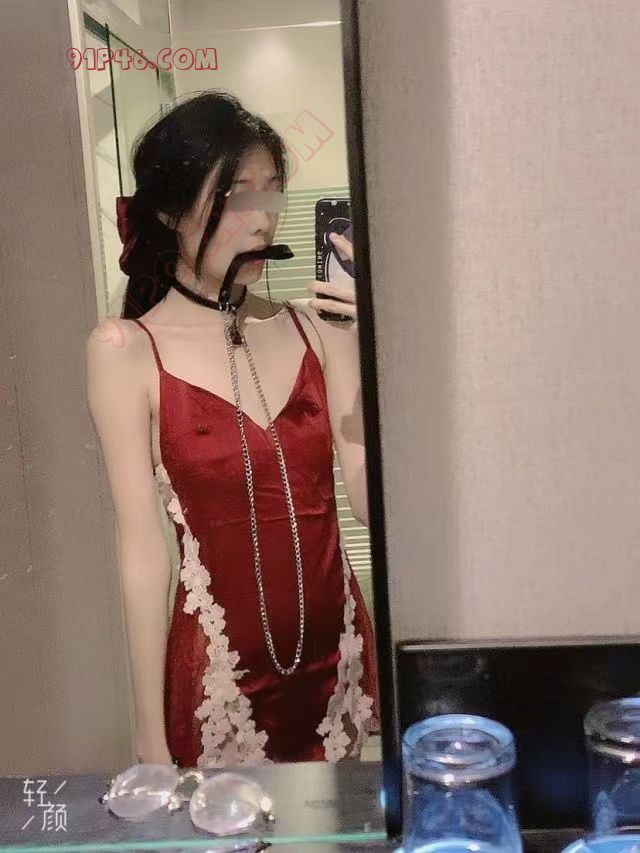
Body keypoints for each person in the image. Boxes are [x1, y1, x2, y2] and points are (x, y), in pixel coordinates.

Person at [86, 90, 380, 770]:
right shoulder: (125, 350)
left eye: (270, 192)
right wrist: (148, 735)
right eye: (236, 195)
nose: (261, 219)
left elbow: (371, 504)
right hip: (219, 681)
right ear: (170, 210)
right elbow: (143, 552)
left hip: (332, 658)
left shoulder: (317, 328)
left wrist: (374, 340)